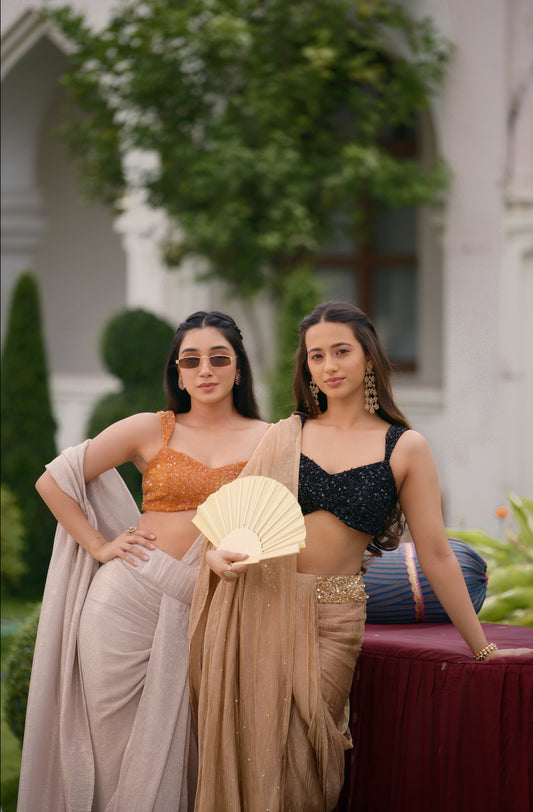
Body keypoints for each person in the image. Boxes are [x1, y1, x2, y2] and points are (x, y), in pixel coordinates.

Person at [189, 301, 533, 812]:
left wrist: (481, 647)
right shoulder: (285, 436)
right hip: (257, 607)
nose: (328, 366)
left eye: (341, 352)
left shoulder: (406, 447)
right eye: (316, 356)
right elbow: (228, 524)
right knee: (249, 754)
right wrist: (215, 558)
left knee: (308, 755)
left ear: (368, 358)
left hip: (335, 616)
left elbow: (436, 554)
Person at [17, 311, 270, 812]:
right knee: (111, 748)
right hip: (125, 601)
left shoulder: (271, 438)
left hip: (206, 607)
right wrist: (98, 545)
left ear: (239, 369)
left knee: (192, 747)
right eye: (191, 361)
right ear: (178, 372)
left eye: (219, 359)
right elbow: (54, 479)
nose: (206, 371)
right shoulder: (150, 428)